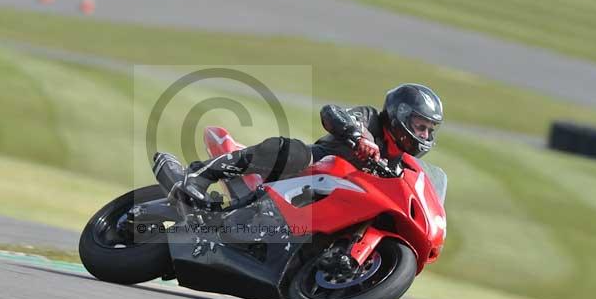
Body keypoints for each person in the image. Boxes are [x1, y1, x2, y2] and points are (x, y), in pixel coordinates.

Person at [173, 83, 443, 202]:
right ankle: (198, 175)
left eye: (430, 130)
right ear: (400, 116)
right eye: (421, 126)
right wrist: (358, 136)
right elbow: (332, 113)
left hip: (339, 200)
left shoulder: (401, 164)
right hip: (314, 170)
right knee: (297, 152)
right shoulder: (372, 119)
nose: (425, 136)